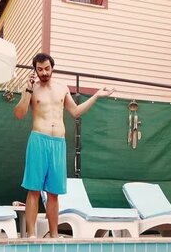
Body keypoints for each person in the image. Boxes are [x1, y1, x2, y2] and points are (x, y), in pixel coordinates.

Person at [14, 53, 114, 238]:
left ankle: (53, 236)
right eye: (40, 69)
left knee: (54, 193)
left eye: (47, 68)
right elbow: (19, 114)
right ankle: (31, 236)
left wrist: (96, 96)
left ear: (52, 68)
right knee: (33, 190)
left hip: (58, 143)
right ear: (35, 69)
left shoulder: (62, 88)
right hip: (38, 140)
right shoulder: (31, 88)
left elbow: (75, 112)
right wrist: (27, 90)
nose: (44, 72)